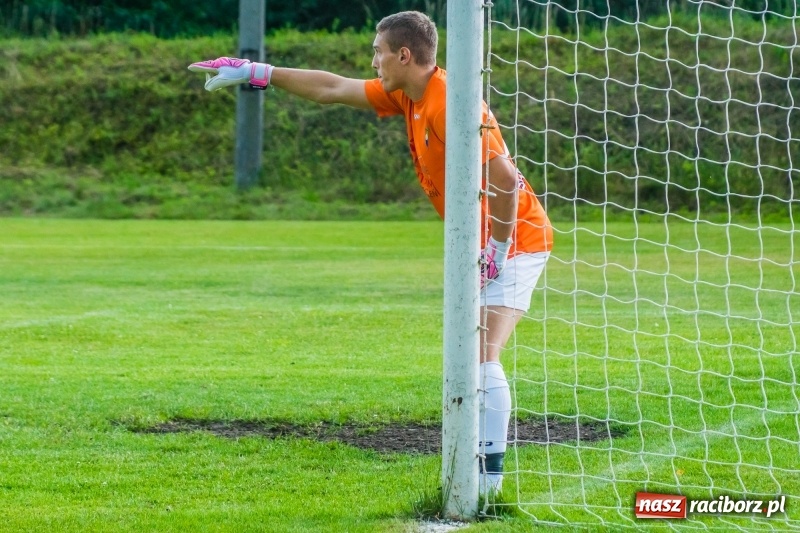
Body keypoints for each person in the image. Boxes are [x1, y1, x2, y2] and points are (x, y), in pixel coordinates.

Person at [189, 10, 553, 495]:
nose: (373, 60)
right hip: (484, 242)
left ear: (405, 55)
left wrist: (499, 247)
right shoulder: (410, 93)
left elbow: (507, 180)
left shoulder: (450, 102)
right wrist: (260, 73)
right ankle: (477, 475)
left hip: (518, 239)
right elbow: (332, 89)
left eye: (378, 51)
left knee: (483, 354)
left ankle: (487, 484)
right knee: (471, 354)